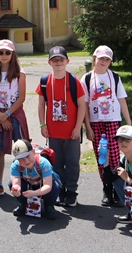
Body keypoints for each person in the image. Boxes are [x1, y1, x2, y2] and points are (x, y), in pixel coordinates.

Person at [36, 45, 86, 207]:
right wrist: (43, 124)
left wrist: (78, 127)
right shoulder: (45, 81)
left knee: (72, 163)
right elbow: (41, 103)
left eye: (61, 60)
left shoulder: (73, 81)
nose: (58, 63)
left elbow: (82, 105)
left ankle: (71, 191)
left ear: (67, 61)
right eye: (54, 60)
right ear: (49, 62)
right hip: (53, 132)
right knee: (56, 163)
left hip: (72, 132)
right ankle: (60, 190)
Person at [82, 45, 132, 207]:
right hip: (96, 123)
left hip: (112, 121)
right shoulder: (87, 78)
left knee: (114, 157)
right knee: (102, 157)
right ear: (95, 58)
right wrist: (88, 127)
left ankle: (117, 190)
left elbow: (122, 100)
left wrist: (129, 124)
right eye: (101, 58)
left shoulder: (115, 77)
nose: (103, 62)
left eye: (107, 59)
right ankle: (106, 189)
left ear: (110, 62)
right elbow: (85, 105)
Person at [0, 38, 29, 197]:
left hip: (15, 113)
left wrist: (8, 115)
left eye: (7, 52)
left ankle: (24, 181)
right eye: (1, 52)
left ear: (13, 54)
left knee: (21, 149)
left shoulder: (20, 73)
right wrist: (1, 117)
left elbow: (22, 98)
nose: (4, 55)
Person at [9, 139, 60, 219]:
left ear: (33, 152)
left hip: (43, 184)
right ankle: (24, 204)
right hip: (29, 184)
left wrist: (34, 193)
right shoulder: (15, 166)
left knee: (55, 185)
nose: (26, 161)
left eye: (27, 156)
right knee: (10, 184)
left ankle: (49, 206)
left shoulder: (43, 162)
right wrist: (16, 189)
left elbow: (48, 186)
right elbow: (16, 183)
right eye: (21, 159)